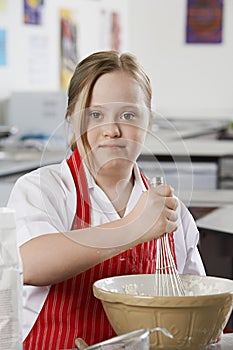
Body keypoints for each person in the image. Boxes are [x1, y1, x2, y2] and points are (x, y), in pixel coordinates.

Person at [7, 50, 205, 350]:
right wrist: (133, 227)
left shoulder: (172, 213)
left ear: (148, 122)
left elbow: (196, 303)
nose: (112, 130)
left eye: (128, 115)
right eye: (95, 115)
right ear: (72, 121)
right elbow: (30, 264)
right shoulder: (43, 189)